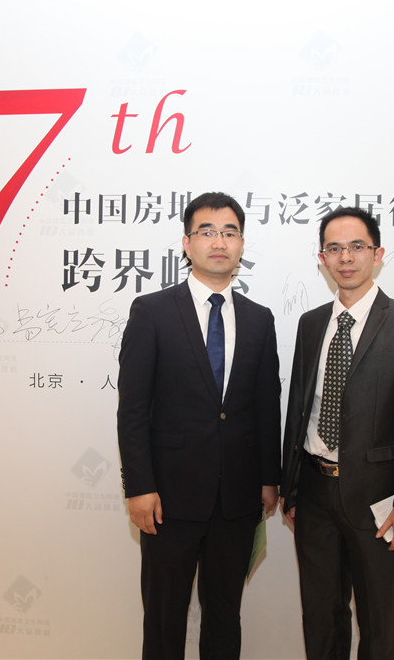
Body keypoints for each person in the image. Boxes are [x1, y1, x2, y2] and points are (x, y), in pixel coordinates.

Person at [117, 191, 282, 660]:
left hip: (237, 500)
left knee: (225, 617)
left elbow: (266, 405)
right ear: (187, 243)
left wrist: (269, 479)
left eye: (230, 232)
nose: (219, 242)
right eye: (207, 231)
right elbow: (133, 409)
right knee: (164, 619)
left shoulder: (259, 319)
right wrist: (139, 486)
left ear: (242, 244)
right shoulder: (151, 311)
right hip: (167, 500)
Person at [280, 206, 394, 659]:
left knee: (376, 619)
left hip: (378, 500)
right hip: (314, 494)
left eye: (356, 247)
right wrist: (291, 489)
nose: (345, 257)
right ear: (322, 259)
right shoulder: (311, 324)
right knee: (320, 616)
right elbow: (298, 410)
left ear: (377, 254)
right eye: (334, 249)